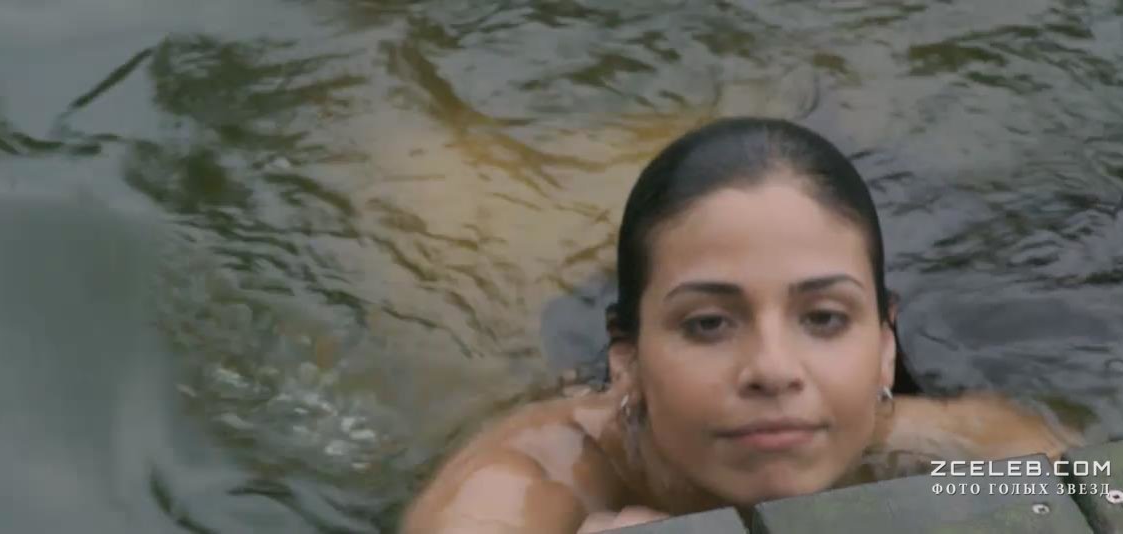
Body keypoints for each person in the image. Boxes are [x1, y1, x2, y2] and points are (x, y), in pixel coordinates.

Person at [399, 117, 1082, 534]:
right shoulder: (525, 478)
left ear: (884, 347)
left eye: (824, 318)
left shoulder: (956, 448)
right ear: (627, 360)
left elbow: (1096, 498)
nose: (774, 370)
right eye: (707, 325)